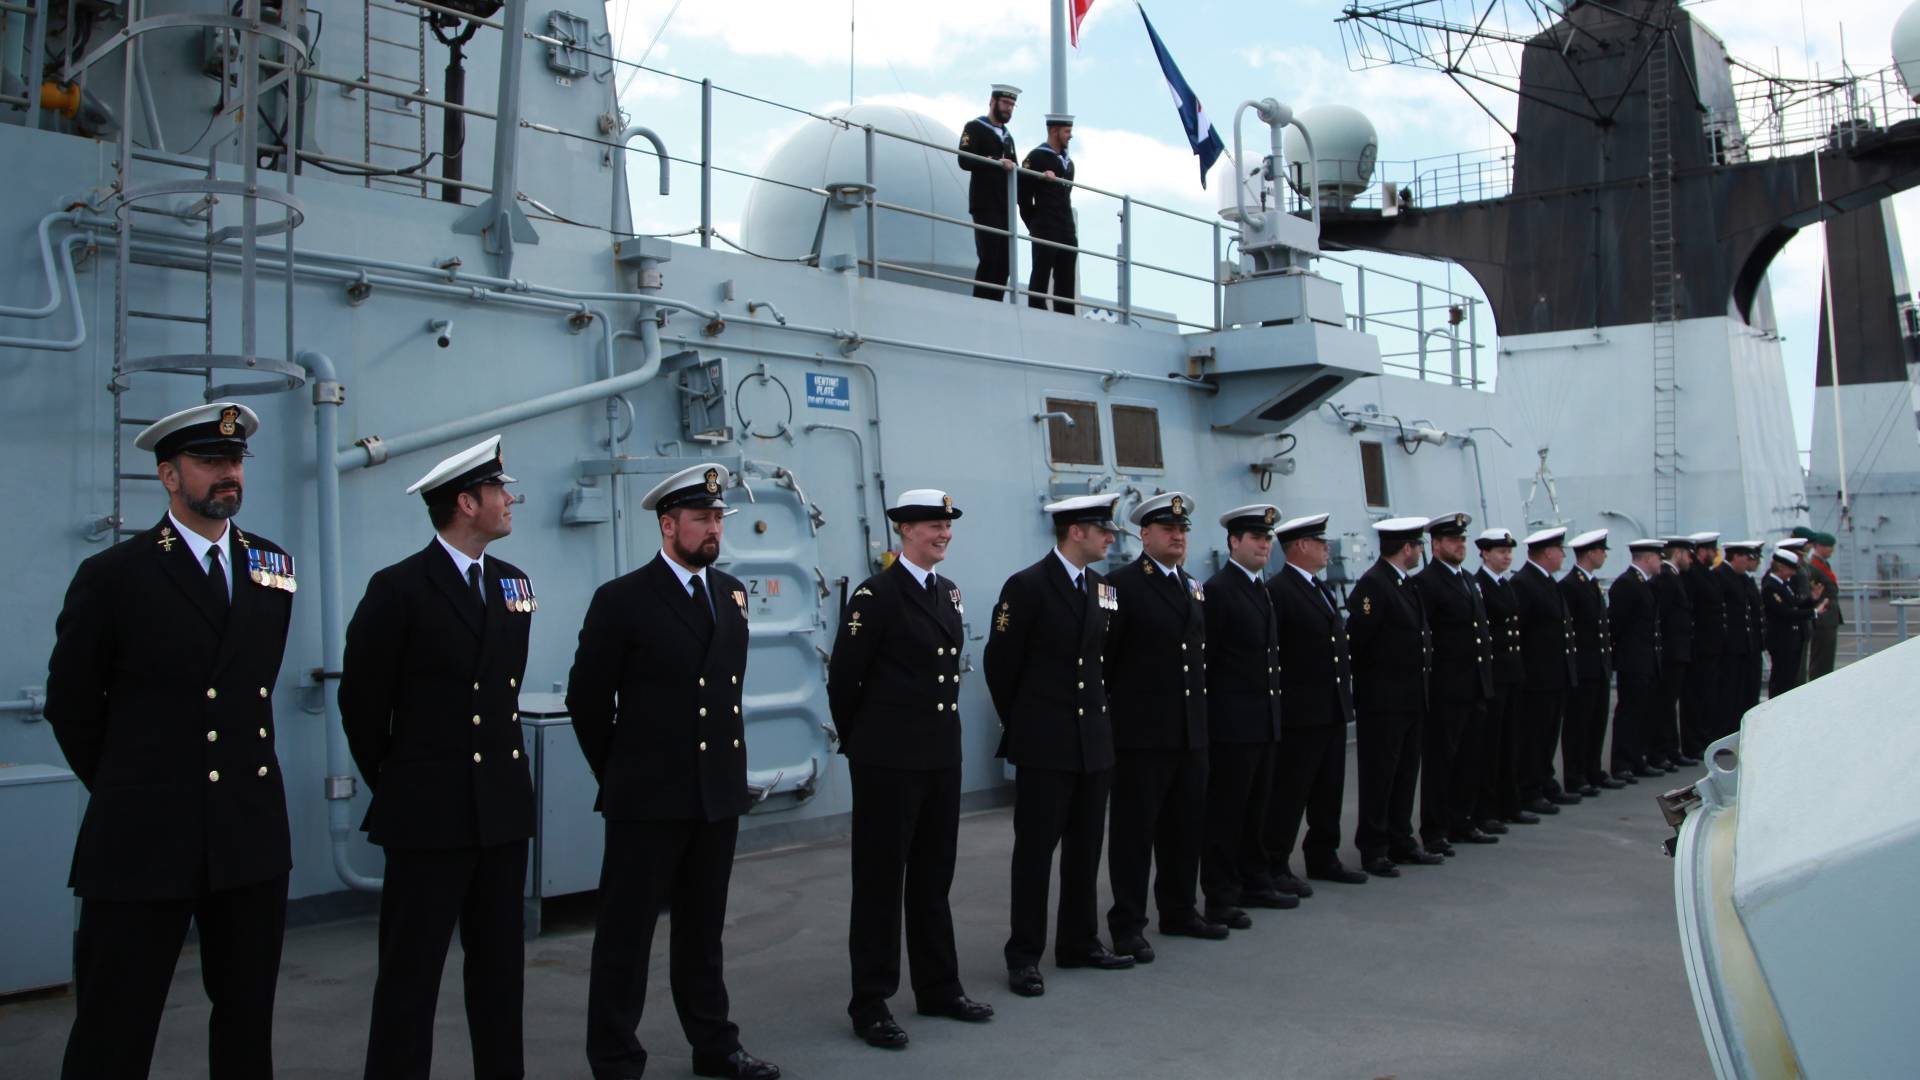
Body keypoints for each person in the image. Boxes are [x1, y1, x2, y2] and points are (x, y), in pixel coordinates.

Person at [45, 403, 295, 1079]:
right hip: (145, 834)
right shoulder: (117, 574)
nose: (227, 474)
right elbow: (71, 706)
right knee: (115, 1025)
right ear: (168, 475)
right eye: (209, 462)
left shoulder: (271, 565)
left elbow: (250, 688)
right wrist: (134, 785)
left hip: (247, 831)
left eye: (234, 460)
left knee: (246, 1022)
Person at [567, 463, 781, 1080]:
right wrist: (622, 773)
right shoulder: (623, 599)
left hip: (715, 793)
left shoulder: (731, 593)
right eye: (701, 518)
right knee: (625, 936)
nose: (714, 528)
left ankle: (714, 1045)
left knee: (702, 931)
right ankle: (615, 1058)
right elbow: (588, 700)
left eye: (718, 518)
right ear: (668, 525)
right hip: (647, 797)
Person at [341, 435, 536, 1079]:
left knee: (501, 972)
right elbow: (362, 705)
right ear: (466, 503)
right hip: (427, 816)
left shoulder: (513, 585)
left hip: (500, 812)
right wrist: (404, 783)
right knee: (410, 975)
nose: (509, 500)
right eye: (498, 490)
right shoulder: (399, 588)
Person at [829, 489, 993, 1050]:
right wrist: (864, 746)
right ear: (904, 530)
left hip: (940, 756)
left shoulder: (948, 592)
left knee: (933, 877)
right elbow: (844, 680)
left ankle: (939, 987)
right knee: (880, 883)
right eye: (932, 525)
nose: (943, 534)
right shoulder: (876, 595)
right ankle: (870, 1003)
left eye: (947, 525)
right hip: (888, 760)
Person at [985, 493, 1135, 999]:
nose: (1110, 537)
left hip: (1093, 742)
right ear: (1076, 531)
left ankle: (1079, 941)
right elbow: (1000, 664)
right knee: (1035, 853)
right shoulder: (1027, 586)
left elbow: (1108, 658)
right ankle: (1024, 955)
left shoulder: (1103, 589)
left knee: (1085, 848)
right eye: (1103, 529)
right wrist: (1029, 722)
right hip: (1045, 745)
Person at [1103, 493, 1220, 963]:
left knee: (1185, 827)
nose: (1178, 536)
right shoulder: (1120, 586)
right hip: (1142, 735)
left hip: (1190, 732)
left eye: (1183, 529)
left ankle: (1179, 909)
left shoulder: (1192, 586)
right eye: (1168, 529)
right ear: (1144, 535)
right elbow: (1106, 660)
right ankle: (1128, 925)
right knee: (1134, 834)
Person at [1197, 505, 1298, 929]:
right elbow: (1208, 661)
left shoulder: (1260, 588)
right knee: (1226, 813)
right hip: (1232, 724)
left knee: (1257, 807)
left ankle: (1254, 880)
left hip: (1263, 720)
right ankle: (1221, 895)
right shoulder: (1219, 591)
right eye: (1255, 537)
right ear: (1233, 542)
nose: (1264, 544)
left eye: (1267, 537)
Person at [1261, 512, 1368, 889]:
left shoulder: (1318, 588)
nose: (1327, 549)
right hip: (1301, 713)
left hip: (1331, 708)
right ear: (1301, 546)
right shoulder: (1279, 591)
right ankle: (1275, 863)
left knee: (1328, 791)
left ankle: (1323, 855)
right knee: (1291, 793)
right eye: (1321, 543)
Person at [1346, 516, 1438, 876]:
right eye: (1418, 545)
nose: (1420, 552)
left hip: (1410, 698)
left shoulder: (1404, 583)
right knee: (1380, 775)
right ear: (1407, 548)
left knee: (1405, 772)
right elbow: (1360, 641)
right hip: (1383, 702)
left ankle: (1401, 838)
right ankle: (1374, 847)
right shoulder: (1374, 585)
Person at [1411, 512, 1496, 854]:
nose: (1460, 545)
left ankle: (1463, 820)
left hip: (1474, 685)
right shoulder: (1426, 583)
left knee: (1469, 758)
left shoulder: (1469, 580)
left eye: (1462, 540)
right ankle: (1435, 829)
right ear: (1436, 544)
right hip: (1446, 688)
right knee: (1441, 762)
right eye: (1453, 540)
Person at [1471, 529, 1533, 831]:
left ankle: (1510, 802)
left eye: (1509, 552)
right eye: (1500, 551)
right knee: (1491, 745)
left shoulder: (1505, 584)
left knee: (1510, 742)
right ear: (1485, 554)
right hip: (1494, 675)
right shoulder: (1479, 585)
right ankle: (1487, 808)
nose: (1507, 556)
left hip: (1511, 674)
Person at [1514, 528, 1579, 813]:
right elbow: (1521, 632)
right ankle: (1530, 789)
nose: (1563, 555)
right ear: (1547, 552)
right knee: (1534, 736)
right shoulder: (1524, 583)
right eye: (1559, 550)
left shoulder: (1548, 582)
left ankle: (1545, 781)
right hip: (1537, 677)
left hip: (1555, 675)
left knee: (1549, 734)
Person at [1559, 530, 1615, 797]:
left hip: (1598, 666)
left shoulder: (1591, 583)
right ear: (1590, 553)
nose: (1604, 555)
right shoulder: (1571, 585)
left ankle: (1593, 769)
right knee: (1578, 725)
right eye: (1602, 551)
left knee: (1596, 722)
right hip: (1583, 667)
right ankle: (1575, 775)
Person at [1607, 540, 1665, 784]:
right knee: (1629, 712)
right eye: (1658, 557)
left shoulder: (1643, 583)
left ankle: (1637, 758)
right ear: (1647, 558)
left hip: (1645, 659)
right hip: (1632, 660)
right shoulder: (1626, 584)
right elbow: (1617, 624)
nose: (1660, 562)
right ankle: (1622, 763)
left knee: (1643, 711)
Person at [958, 85, 1020, 301]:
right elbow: (964, 159)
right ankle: (981, 304)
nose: (1009, 108)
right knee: (989, 256)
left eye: (1012, 105)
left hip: (1004, 205)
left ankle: (995, 305)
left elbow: (1015, 169)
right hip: (985, 203)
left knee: (1005, 262)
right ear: (993, 102)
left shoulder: (1008, 137)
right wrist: (995, 161)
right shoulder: (975, 128)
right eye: (1005, 103)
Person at [1019, 114, 1078, 314]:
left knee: (1066, 278)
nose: (1070, 136)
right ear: (1054, 130)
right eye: (1067, 131)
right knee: (1041, 273)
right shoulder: (1036, 158)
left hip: (1066, 228)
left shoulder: (1069, 163)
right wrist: (1035, 224)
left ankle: (1066, 316)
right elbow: (1023, 196)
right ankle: (1037, 312)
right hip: (1045, 227)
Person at [1648, 538, 1698, 771]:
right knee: (1665, 704)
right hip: (1671, 651)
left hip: (1678, 650)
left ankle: (1671, 750)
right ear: (1678, 553)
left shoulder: (1674, 576)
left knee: (1670, 703)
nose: (1691, 560)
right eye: (1688, 554)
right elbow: (1665, 616)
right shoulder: (1666, 578)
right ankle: (1663, 751)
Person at [1681, 533, 1726, 759]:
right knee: (1695, 698)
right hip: (1699, 646)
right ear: (1701, 551)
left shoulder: (1708, 574)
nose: (1715, 554)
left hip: (1711, 646)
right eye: (1711, 550)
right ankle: (1693, 742)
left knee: (1708, 696)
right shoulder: (1692, 575)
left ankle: (1706, 738)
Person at [1714, 541, 1760, 738]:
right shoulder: (1721, 576)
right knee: (1728, 693)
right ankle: (1725, 732)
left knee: (1741, 692)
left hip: (1743, 645)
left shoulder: (1741, 578)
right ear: (1735, 557)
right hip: (1730, 646)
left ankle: (1737, 730)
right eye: (1745, 558)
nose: (1748, 563)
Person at [1762, 549, 1822, 699]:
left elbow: (1794, 604)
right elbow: (1785, 612)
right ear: (1780, 567)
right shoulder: (1770, 586)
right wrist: (1813, 612)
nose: (1793, 573)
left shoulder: (1784, 585)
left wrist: (1811, 600)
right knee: (1780, 679)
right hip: (1780, 639)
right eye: (1791, 569)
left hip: (1791, 639)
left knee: (1789, 678)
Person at [1806, 531, 1843, 680]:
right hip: (1822, 618)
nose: (1832, 550)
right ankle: (1818, 684)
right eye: (1829, 546)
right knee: (1821, 659)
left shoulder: (1822, 564)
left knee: (1827, 658)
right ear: (1818, 546)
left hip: (1828, 617)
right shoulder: (1813, 566)